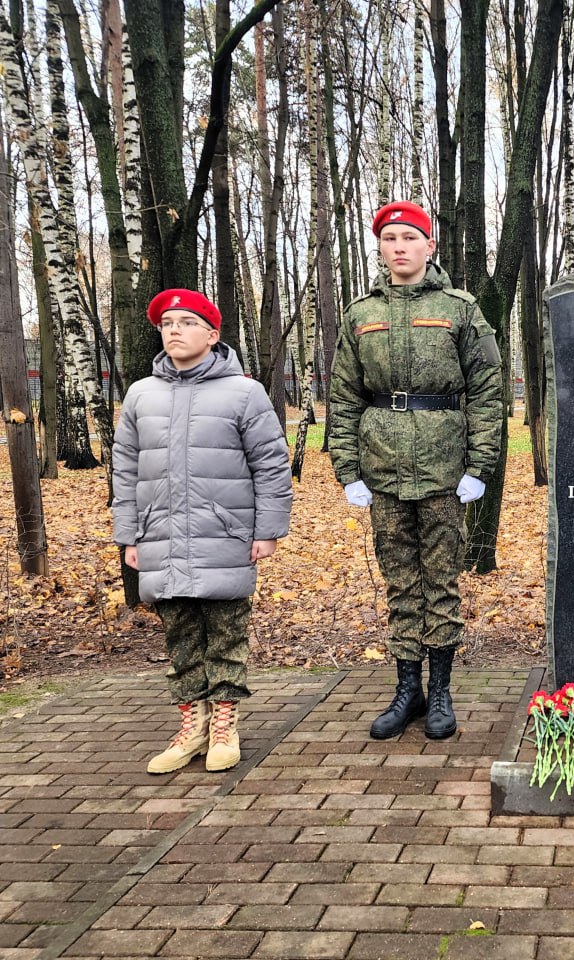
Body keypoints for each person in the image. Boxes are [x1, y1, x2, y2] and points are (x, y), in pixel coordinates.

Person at [328, 201, 503, 741]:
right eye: (389, 238)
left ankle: (442, 690)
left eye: (409, 237)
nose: (399, 247)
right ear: (380, 248)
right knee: (400, 583)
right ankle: (409, 690)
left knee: (442, 582)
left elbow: (487, 391)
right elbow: (344, 396)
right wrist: (348, 469)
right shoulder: (360, 315)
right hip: (383, 469)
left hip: (444, 469)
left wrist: (479, 464)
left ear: (430, 246)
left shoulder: (460, 309)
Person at [112, 289, 293, 774]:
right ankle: (193, 727)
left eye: (187, 323)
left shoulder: (244, 394)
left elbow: (271, 465)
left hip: (226, 535)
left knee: (226, 635)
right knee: (181, 638)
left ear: (213, 336)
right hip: (161, 537)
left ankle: (224, 727)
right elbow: (125, 471)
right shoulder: (141, 395)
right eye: (167, 324)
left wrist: (268, 529)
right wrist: (129, 534)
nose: (175, 330)